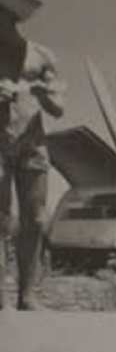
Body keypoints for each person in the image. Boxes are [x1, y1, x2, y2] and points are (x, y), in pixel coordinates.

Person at [3, 37, 67, 314]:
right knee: (2, 218)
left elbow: (58, 108)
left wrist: (43, 94)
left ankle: (27, 296)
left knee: (37, 218)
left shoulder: (41, 54)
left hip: (32, 144)